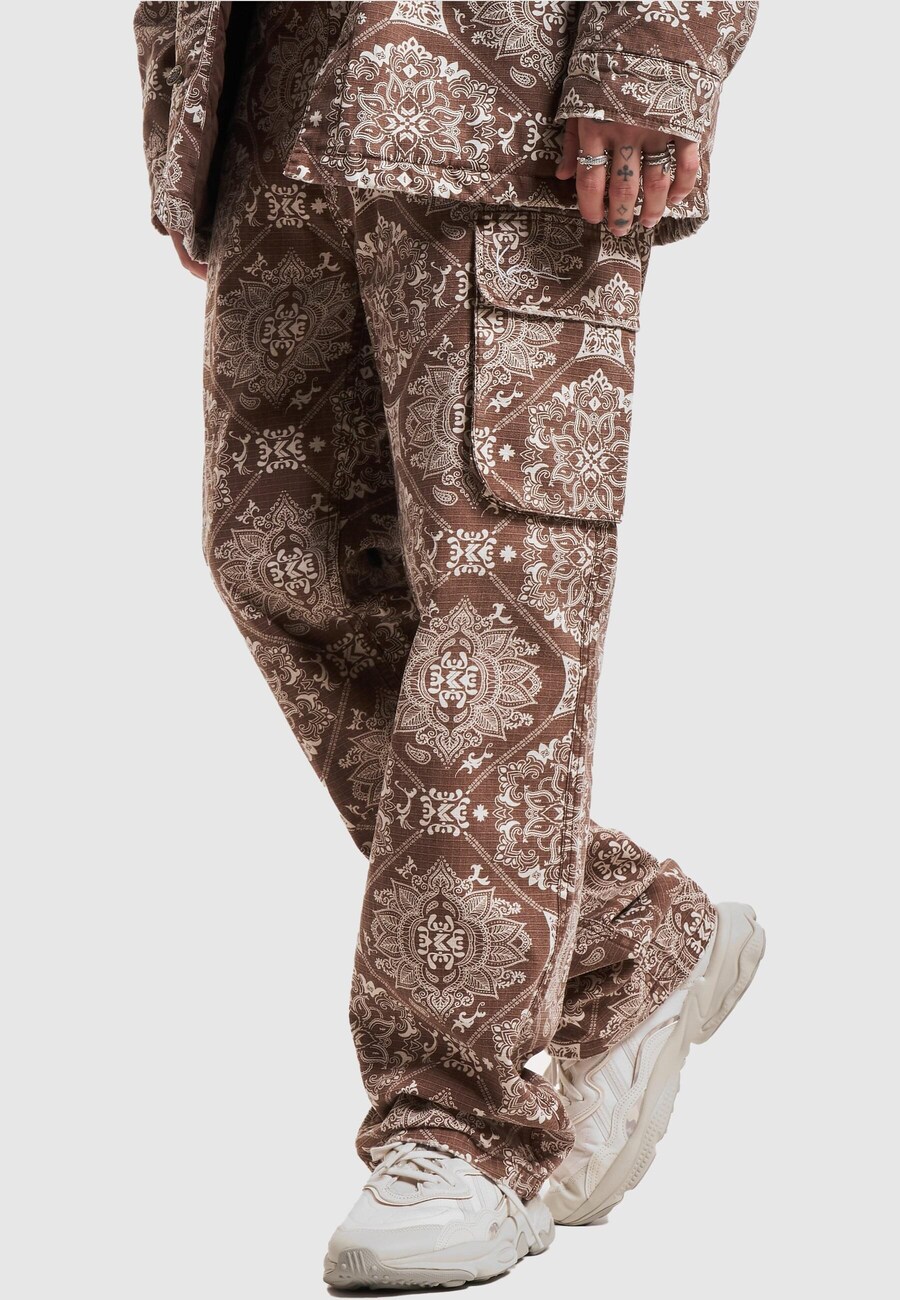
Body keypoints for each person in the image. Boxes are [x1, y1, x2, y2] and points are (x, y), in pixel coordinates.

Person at [134, 2, 764, 1288]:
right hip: (276, 85)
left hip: (505, 97)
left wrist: (652, 51)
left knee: (497, 601)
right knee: (282, 559)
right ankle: (623, 930)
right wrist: (185, 95)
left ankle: (463, 1121)